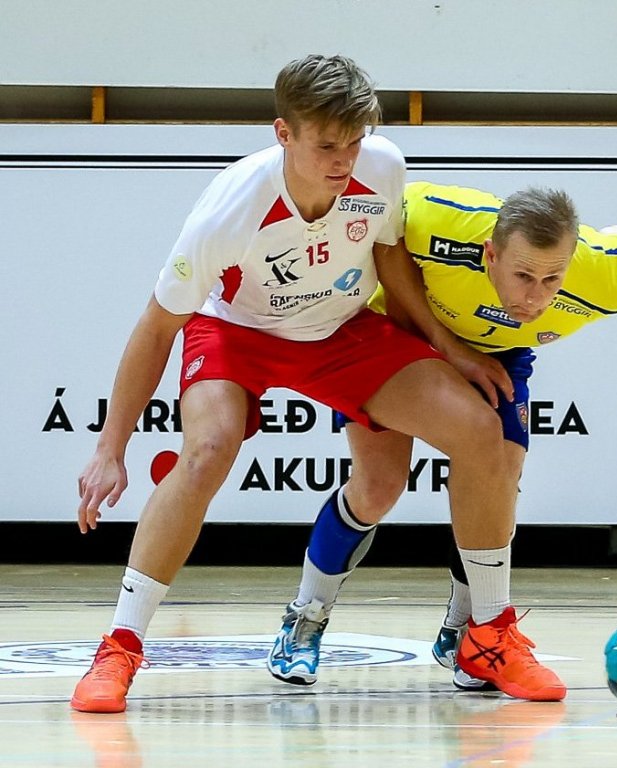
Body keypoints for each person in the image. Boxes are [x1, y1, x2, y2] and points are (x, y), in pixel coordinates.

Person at [70, 56, 528, 713]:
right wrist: (110, 449)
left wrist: (448, 349)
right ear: (283, 133)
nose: (344, 160)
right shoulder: (231, 211)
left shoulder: (382, 167)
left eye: (355, 141)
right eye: (327, 145)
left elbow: (389, 255)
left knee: (481, 429)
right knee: (206, 453)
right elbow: (155, 327)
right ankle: (119, 646)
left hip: (340, 330)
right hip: (236, 332)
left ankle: (489, 636)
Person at [269, 180, 617, 695]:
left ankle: (470, 634)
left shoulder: (604, 278)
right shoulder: (438, 217)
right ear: (490, 253)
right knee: (378, 487)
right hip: (395, 334)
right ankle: (305, 618)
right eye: (522, 276)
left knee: (499, 472)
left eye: (552, 279)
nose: (535, 297)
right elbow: (384, 235)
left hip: (496, 351)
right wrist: (445, 344)